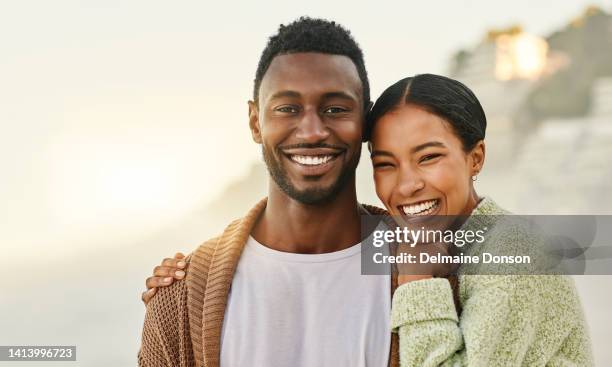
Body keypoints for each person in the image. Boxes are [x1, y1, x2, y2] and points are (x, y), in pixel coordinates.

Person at [143, 72, 594, 366]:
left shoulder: (513, 250)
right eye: (386, 163)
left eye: (429, 157)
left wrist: (417, 284)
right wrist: (189, 280)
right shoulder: (425, 240)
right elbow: (314, 275)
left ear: (475, 157)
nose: (407, 184)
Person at [138, 16, 400, 367]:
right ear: (255, 121)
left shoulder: (431, 265)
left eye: (335, 109)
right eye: (287, 109)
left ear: (365, 121)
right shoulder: (180, 297)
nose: (311, 131)